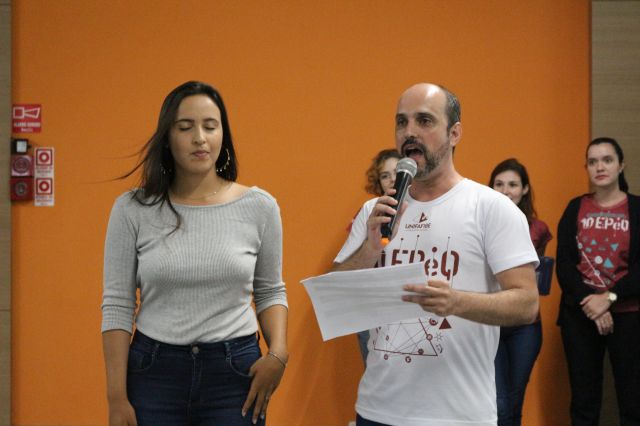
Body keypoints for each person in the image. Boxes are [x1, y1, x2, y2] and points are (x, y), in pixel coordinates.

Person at [332, 83, 539, 426]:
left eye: (424, 120)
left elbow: (527, 304)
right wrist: (369, 249)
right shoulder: (375, 211)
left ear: (454, 133)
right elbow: (335, 298)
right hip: (376, 410)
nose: (409, 132)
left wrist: (456, 302)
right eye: (402, 122)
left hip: (458, 415)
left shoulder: (491, 208)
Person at [101, 81, 288, 426]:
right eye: (185, 127)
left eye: (210, 126)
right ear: (167, 138)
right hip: (154, 374)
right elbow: (117, 304)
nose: (200, 138)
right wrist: (116, 397)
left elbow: (270, 290)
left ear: (223, 135)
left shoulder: (259, 206)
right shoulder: (132, 209)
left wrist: (278, 353)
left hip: (234, 373)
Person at [556, 137, 640, 425]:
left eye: (607, 160)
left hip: (629, 316)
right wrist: (591, 302)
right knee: (583, 401)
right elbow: (564, 264)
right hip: (581, 315)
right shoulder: (575, 207)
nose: (600, 167)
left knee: (633, 400)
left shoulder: (636, 208)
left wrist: (609, 298)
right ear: (587, 168)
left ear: (621, 165)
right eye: (593, 162)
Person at [489, 158, 552, 426]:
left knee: (514, 405)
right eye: (499, 184)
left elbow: (536, 278)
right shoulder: (480, 224)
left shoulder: (538, 228)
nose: (506, 191)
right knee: (499, 405)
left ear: (525, 189)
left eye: (513, 184)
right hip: (490, 322)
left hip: (526, 326)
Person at [354, 149, 401, 363]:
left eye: (397, 173)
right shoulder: (369, 212)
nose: (392, 179)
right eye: (385, 175)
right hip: (373, 309)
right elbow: (349, 267)